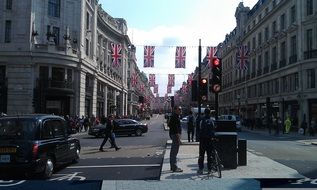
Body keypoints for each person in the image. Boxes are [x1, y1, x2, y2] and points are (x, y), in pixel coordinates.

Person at [197, 108, 216, 175]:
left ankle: (201, 169)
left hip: (202, 140)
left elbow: (199, 129)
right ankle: (209, 170)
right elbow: (214, 129)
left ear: (204, 113)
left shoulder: (201, 120)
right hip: (210, 140)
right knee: (209, 155)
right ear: (210, 113)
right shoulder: (212, 120)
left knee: (201, 155)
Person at [168, 106, 183, 172]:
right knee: (174, 152)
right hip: (175, 136)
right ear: (175, 110)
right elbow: (176, 129)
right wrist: (178, 139)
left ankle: (173, 166)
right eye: (179, 109)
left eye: (180, 109)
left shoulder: (174, 116)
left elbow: (169, 125)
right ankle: (174, 167)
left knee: (173, 152)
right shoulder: (175, 117)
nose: (180, 110)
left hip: (174, 135)